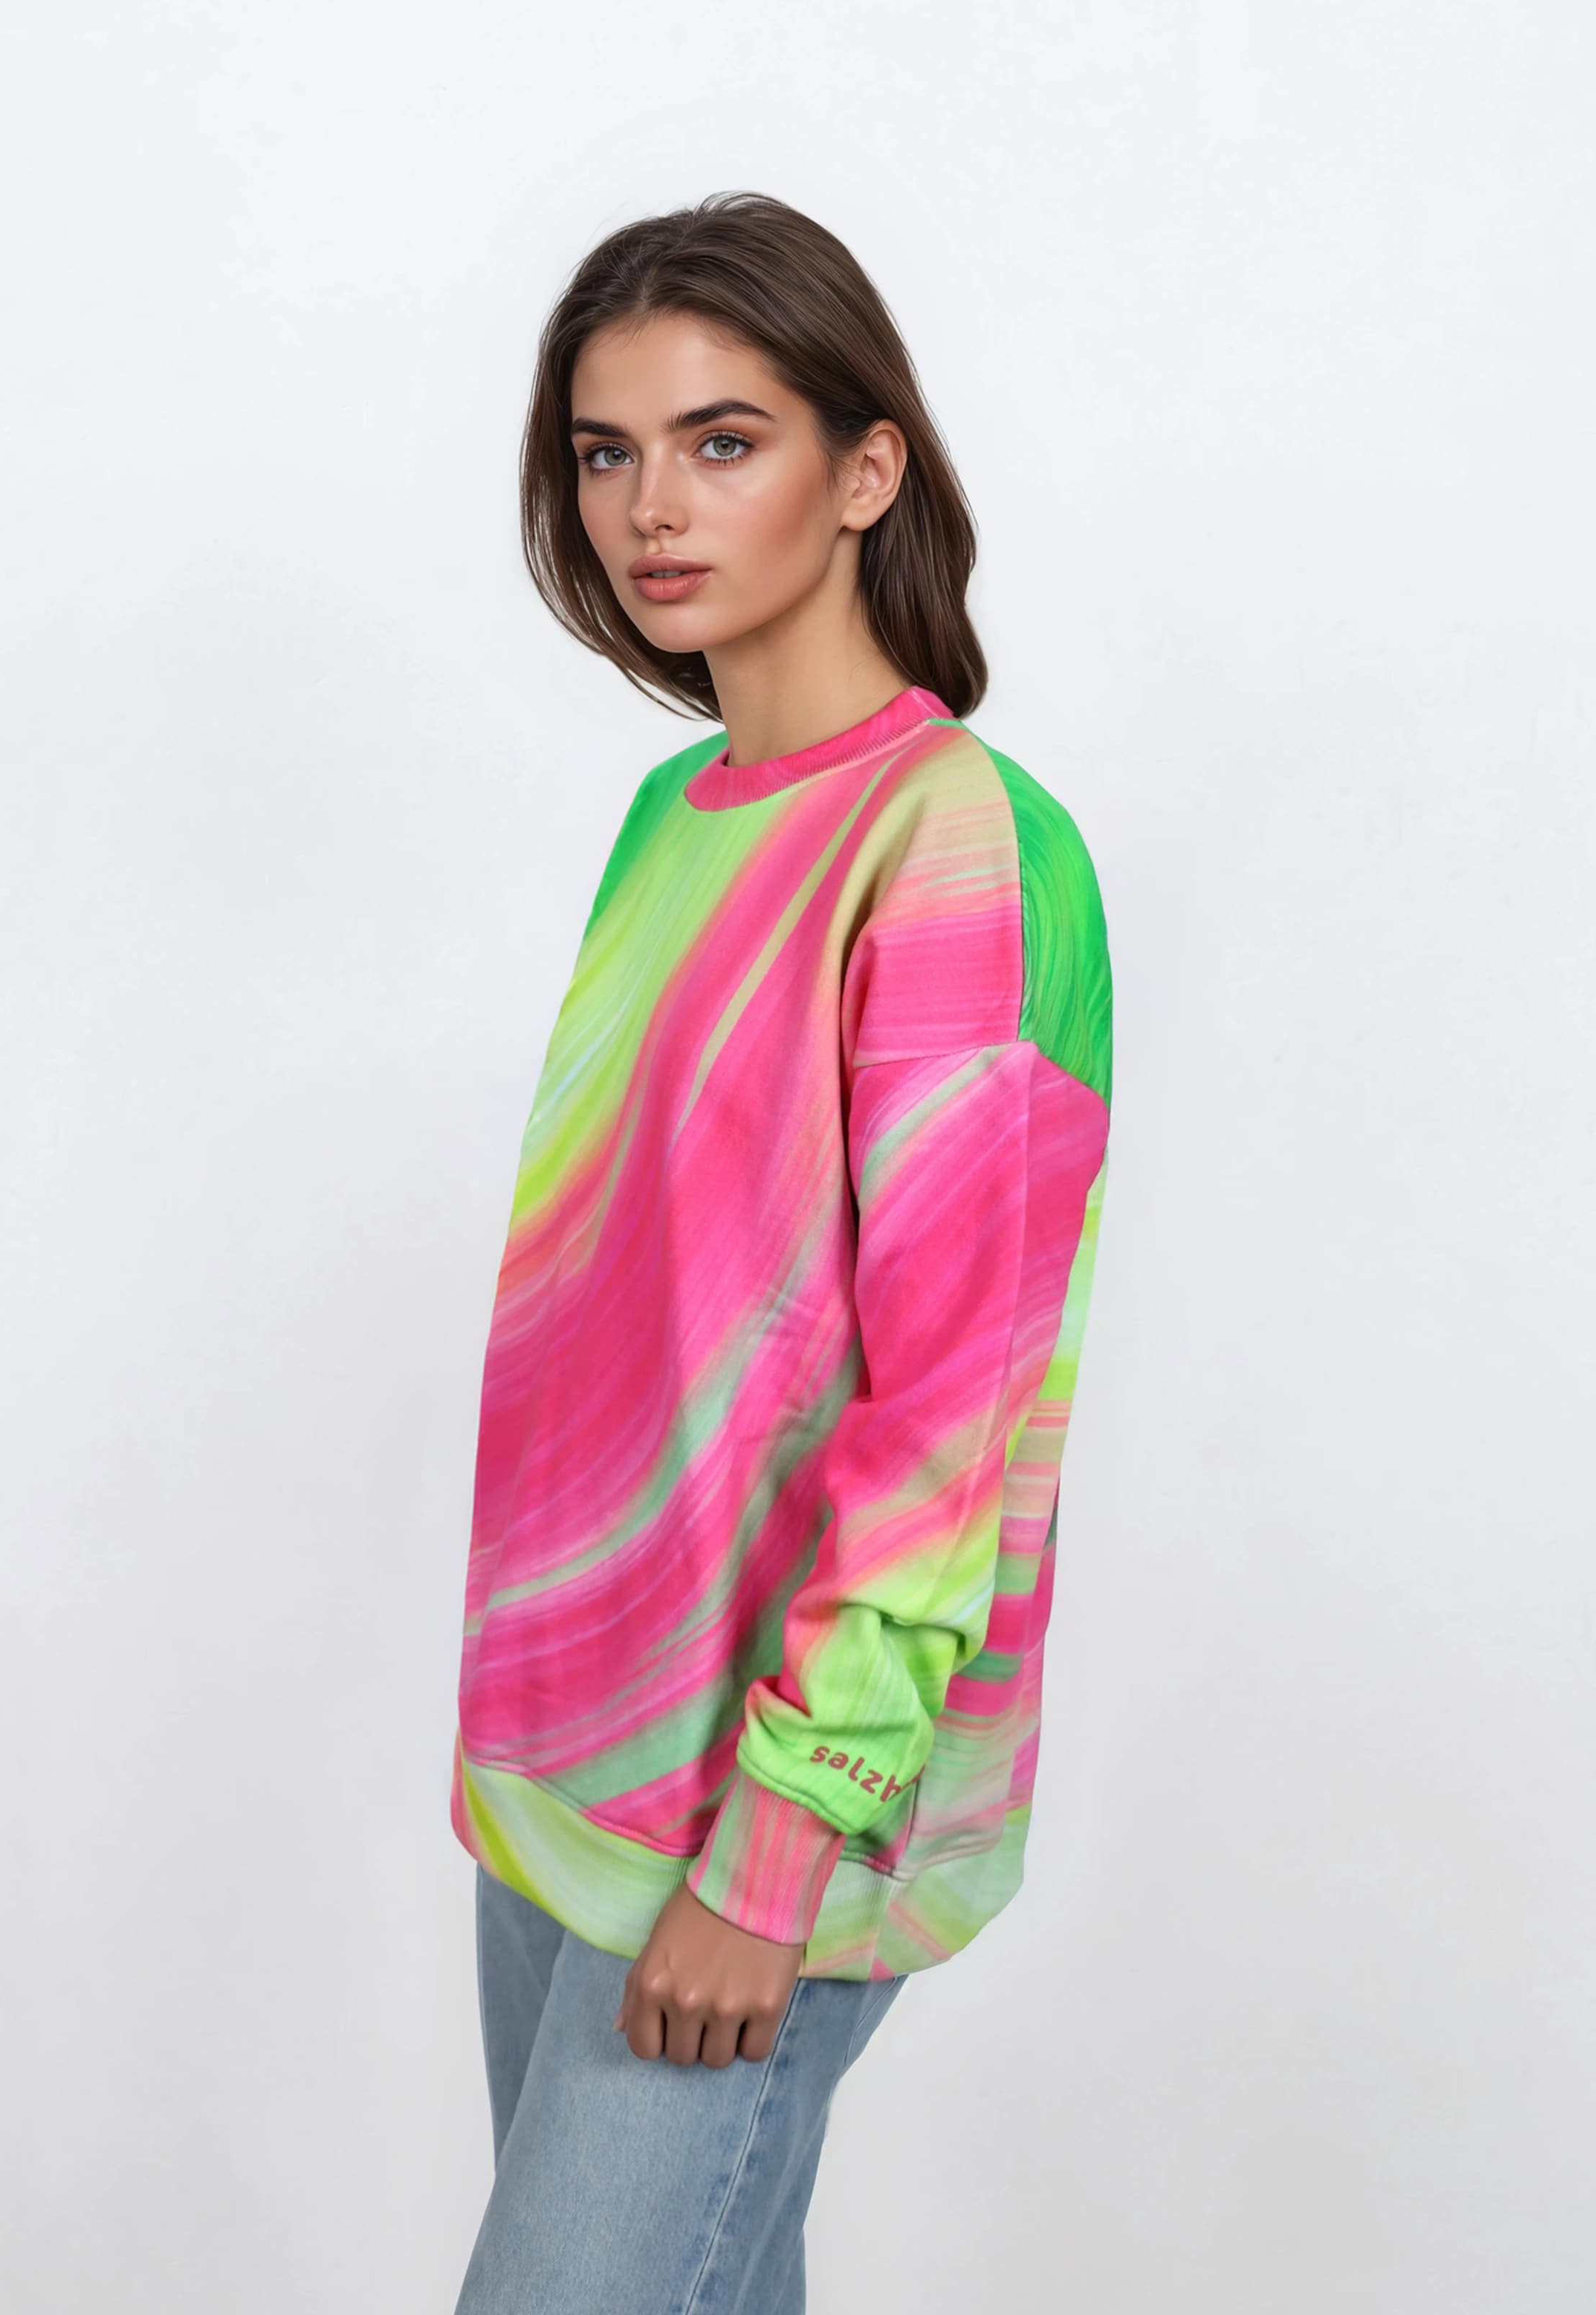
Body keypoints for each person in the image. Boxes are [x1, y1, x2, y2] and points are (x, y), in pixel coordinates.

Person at [449, 190, 1114, 2314]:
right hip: (572, 1762)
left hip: (769, 1805)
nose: (651, 507)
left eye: (722, 440)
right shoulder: (676, 819)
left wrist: (775, 1851)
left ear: (866, 468)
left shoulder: (961, 844)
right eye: (606, 451)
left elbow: (950, 1413)